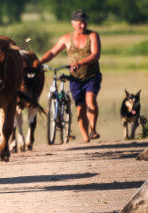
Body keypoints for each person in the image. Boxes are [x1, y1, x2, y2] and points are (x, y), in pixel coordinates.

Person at [39, 9, 102, 143]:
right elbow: (52, 52)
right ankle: (86, 137)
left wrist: (80, 63)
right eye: (80, 23)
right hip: (75, 78)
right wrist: (40, 62)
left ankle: (93, 129)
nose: (83, 26)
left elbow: (96, 55)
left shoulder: (93, 36)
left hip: (91, 75)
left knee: (90, 100)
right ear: (73, 23)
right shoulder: (66, 38)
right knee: (80, 107)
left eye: (84, 23)